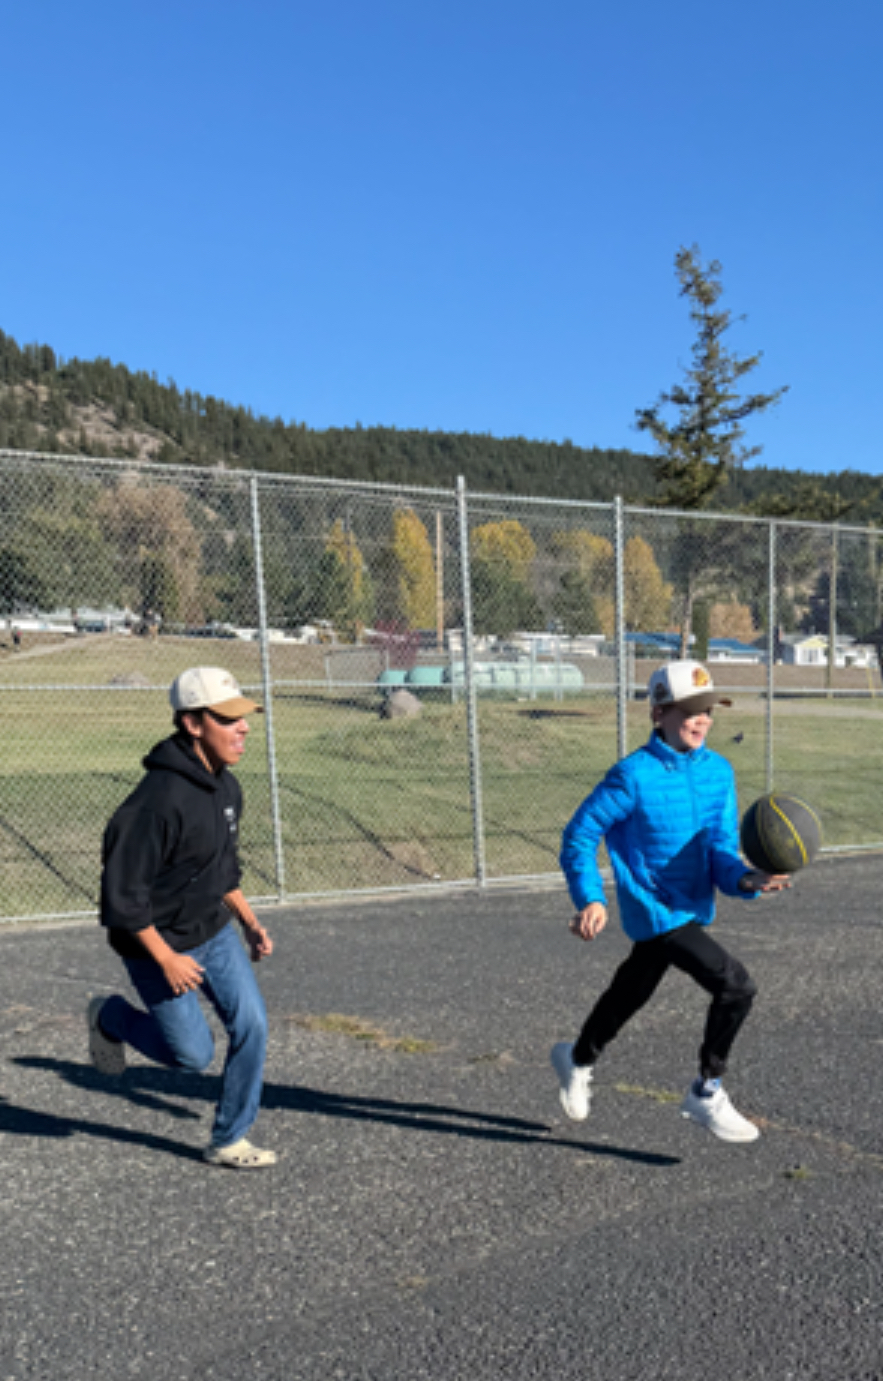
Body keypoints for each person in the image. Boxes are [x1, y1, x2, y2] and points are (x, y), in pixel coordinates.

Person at [551, 658, 789, 1144]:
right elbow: (579, 836)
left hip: (690, 905)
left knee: (631, 992)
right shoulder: (632, 777)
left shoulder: (718, 772)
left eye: (708, 710)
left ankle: (577, 1058)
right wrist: (591, 898)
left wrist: (747, 879)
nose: (701, 719)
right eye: (688, 710)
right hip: (655, 906)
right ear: (658, 712)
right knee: (736, 987)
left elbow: (722, 850)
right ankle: (707, 1090)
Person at [88, 666, 276, 1169]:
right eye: (229, 718)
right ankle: (111, 1018)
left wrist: (250, 922)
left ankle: (229, 1138)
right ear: (193, 724)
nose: (244, 728)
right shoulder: (155, 804)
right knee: (192, 1056)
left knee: (252, 1024)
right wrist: (168, 959)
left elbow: (223, 872)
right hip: (155, 942)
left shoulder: (228, 789)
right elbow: (121, 899)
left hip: (211, 930)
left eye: (245, 717)